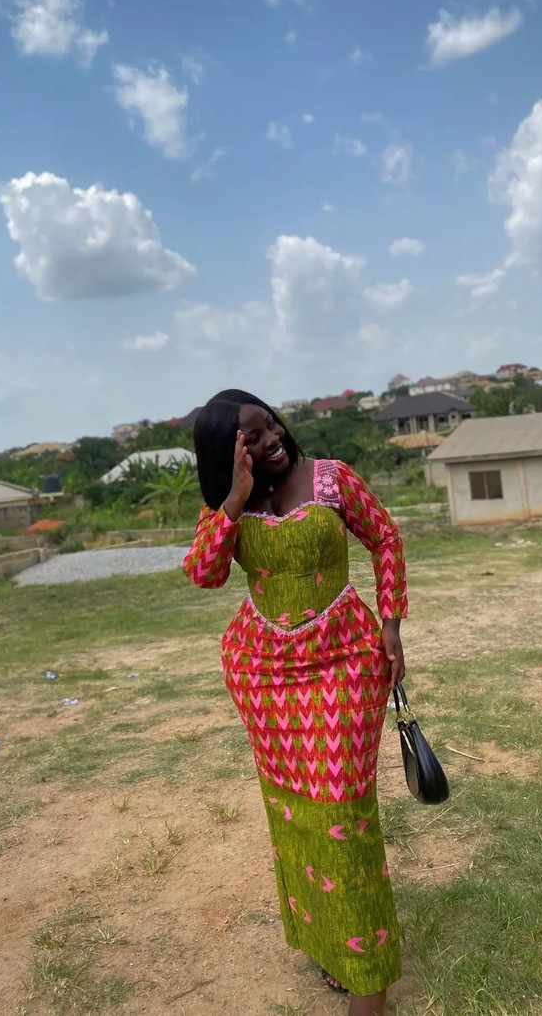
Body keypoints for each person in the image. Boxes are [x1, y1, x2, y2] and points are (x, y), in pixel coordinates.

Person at [182, 390, 407, 1016]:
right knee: (294, 813)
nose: (272, 439)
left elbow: (386, 538)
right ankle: (328, 942)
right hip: (264, 677)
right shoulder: (226, 506)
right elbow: (204, 573)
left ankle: (368, 980)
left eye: (271, 424)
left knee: (342, 814)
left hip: (345, 663)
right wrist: (234, 497)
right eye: (252, 437)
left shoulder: (331, 479)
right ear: (228, 453)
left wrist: (391, 622)